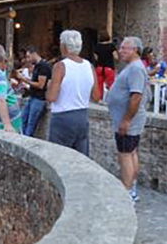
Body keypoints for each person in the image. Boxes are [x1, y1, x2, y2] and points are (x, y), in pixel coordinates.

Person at [105, 36, 150, 203]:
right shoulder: (133, 67)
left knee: (125, 154)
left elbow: (136, 96)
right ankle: (132, 187)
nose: (121, 51)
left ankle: (127, 190)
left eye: (125, 48)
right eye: (121, 48)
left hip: (128, 121)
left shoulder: (136, 69)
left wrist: (126, 120)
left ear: (135, 50)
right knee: (131, 152)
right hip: (127, 119)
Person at [46, 30, 101, 156]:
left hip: (63, 117)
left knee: (59, 157)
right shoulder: (89, 66)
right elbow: (96, 96)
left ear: (64, 46)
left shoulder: (60, 66)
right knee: (81, 157)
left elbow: (52, 97)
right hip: (82, 116)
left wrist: (49, 86)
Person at [13, 46, 52, 137]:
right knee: (22, 119)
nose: (27, 60)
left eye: (28, 57)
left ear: (34, 54)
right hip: (32, 97)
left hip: (39, 99)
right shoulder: (37, 66)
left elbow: (41, 85)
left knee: (31, 123)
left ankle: (26, 139)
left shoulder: (44, 66)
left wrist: (24, 79)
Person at [94, 30, 118, 98]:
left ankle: (99, 99)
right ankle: (111, 98)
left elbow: (96, 57)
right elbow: (116, 57)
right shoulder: (111, 46)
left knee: (99, 85)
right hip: (109, 68)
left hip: (99, 67)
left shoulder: (97, 46)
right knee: (111, 85)